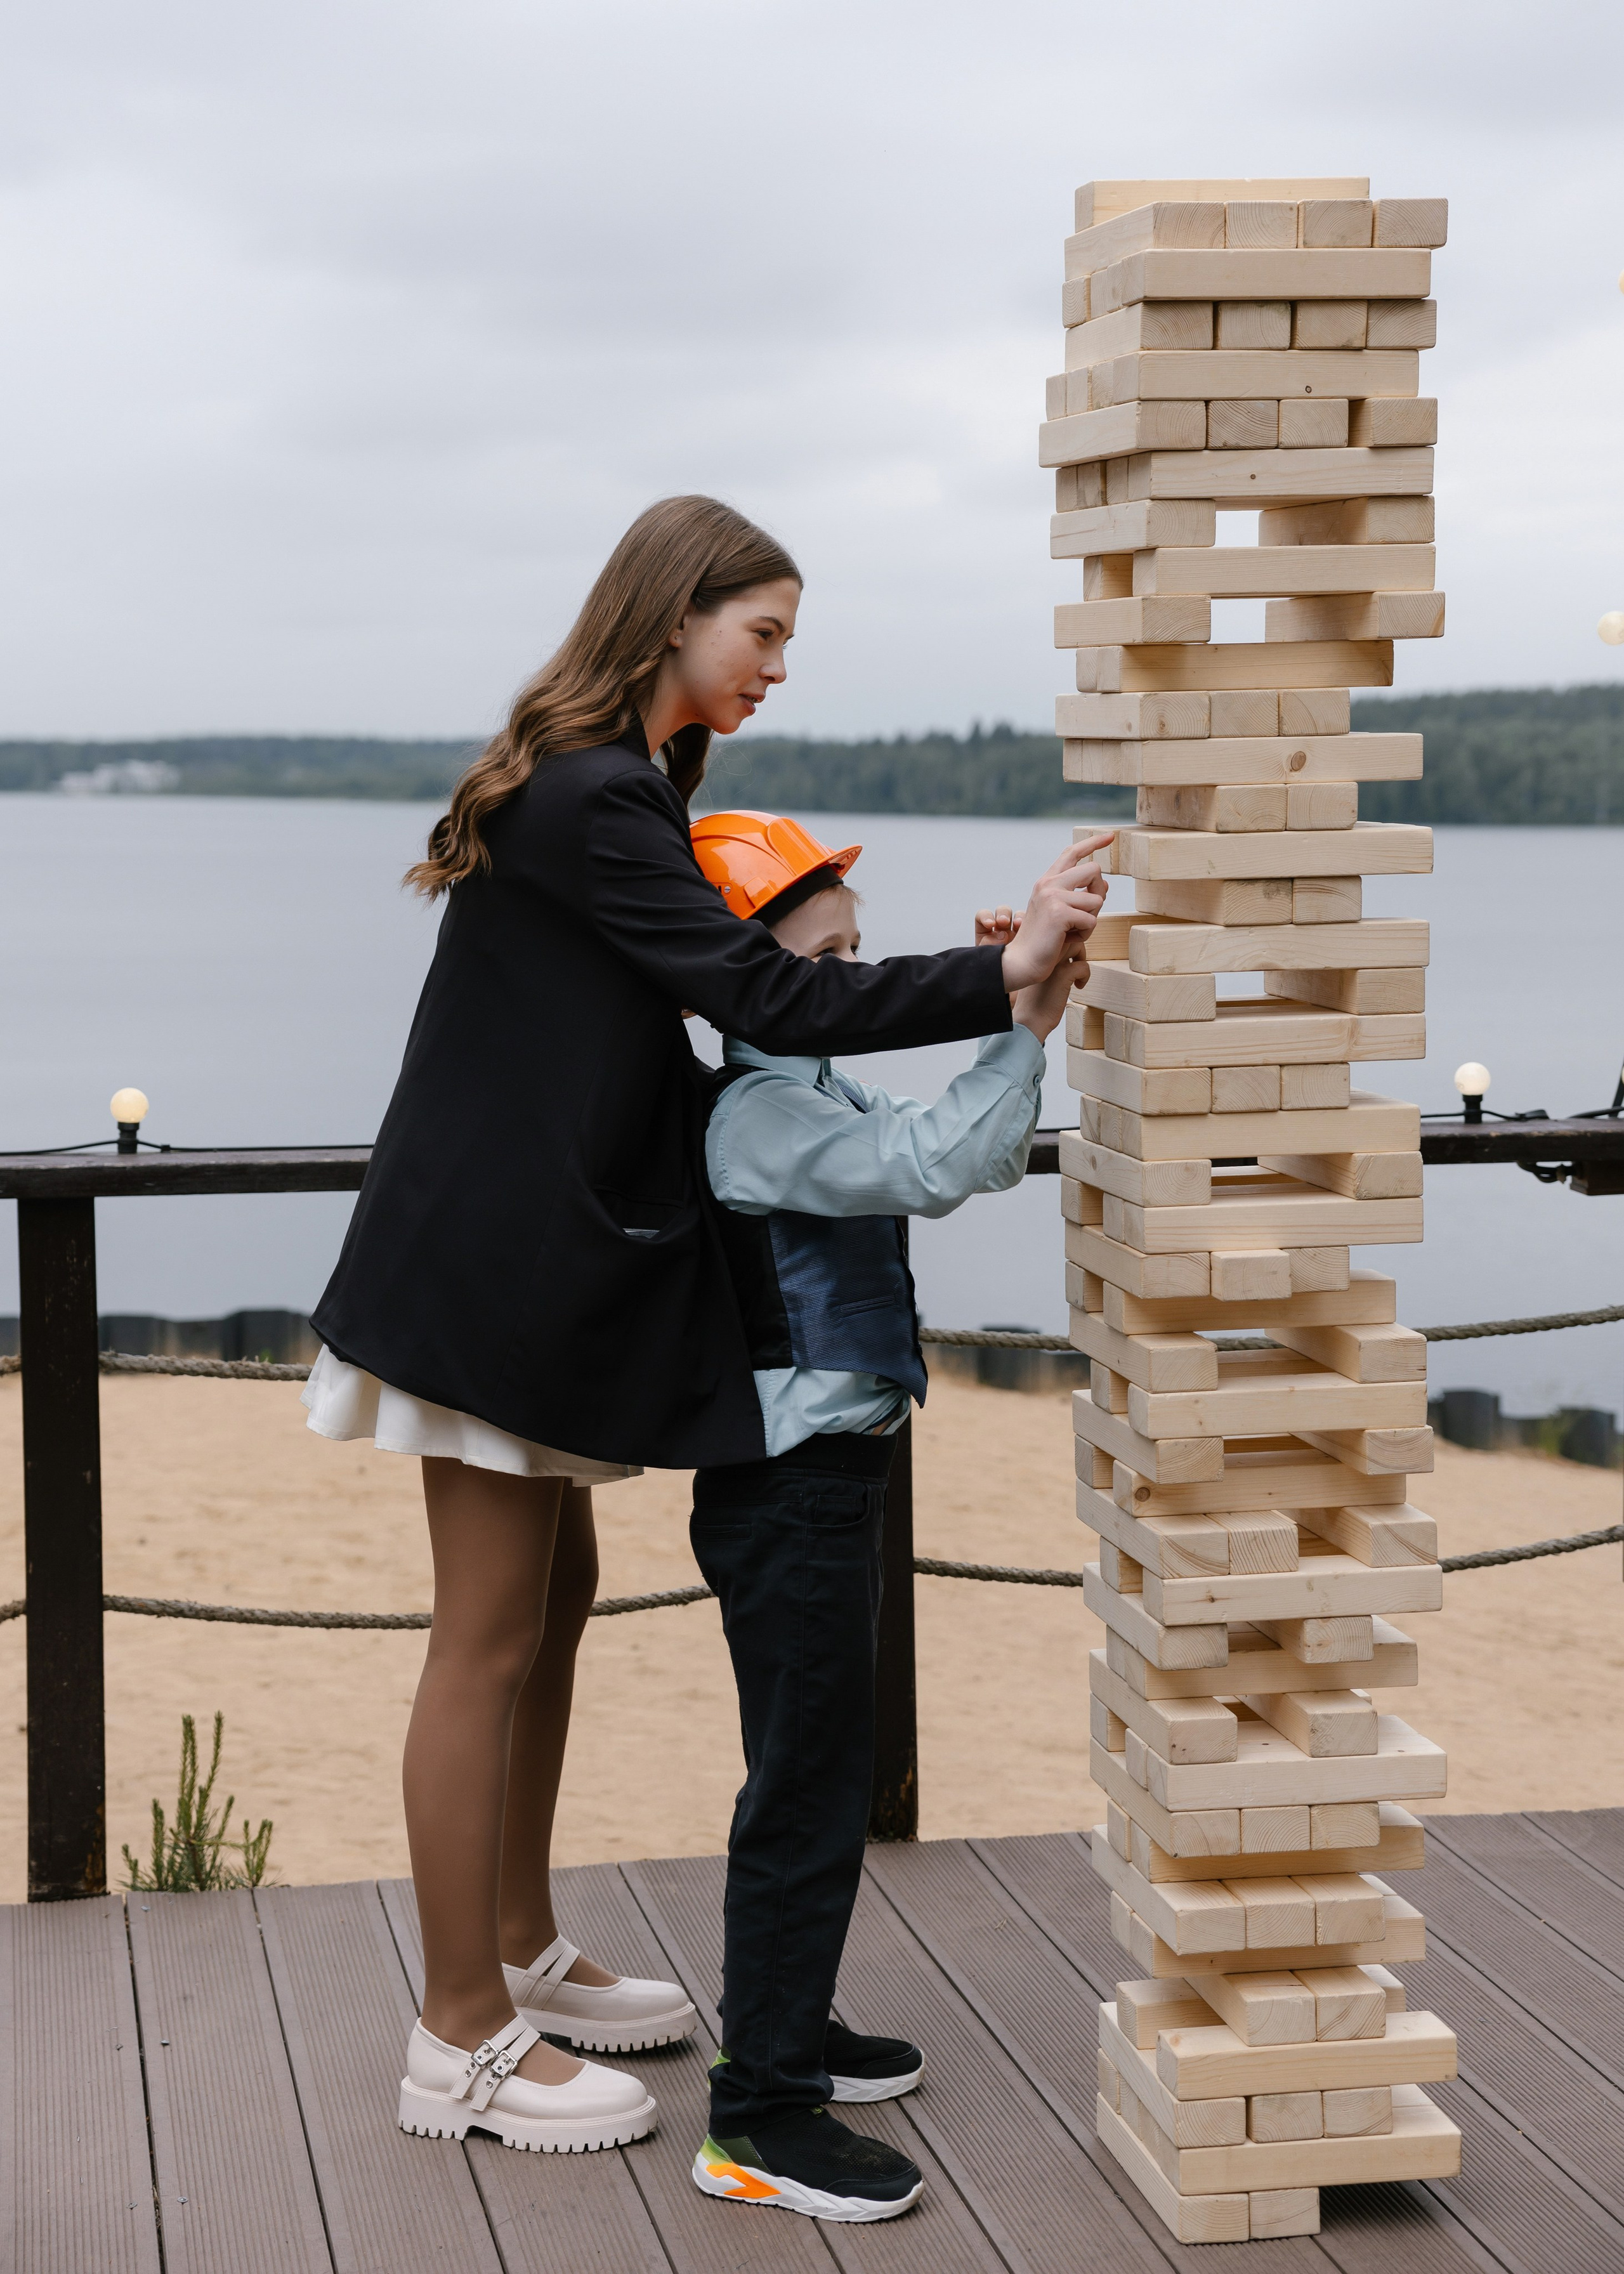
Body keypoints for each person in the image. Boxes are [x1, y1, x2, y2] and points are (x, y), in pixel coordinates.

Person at [300, 493, 1106, 2155]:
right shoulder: (601, 797)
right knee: (486, 1636)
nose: (777, 669)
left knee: (557, 1603)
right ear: (675, 614)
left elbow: (712, 1014)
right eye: (764, 635)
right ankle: (455, 2032)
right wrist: (1007, 970)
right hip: (493, 1273)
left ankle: (516, 1947)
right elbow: (771, 998)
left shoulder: (630, 786)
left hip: (534, 1262)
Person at [686, 810, 1110, 2222]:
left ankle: (789, 2033)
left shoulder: (813, 1086)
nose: (854, 987)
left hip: (828, 1482)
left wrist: (1026, 1010)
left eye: (858, 960)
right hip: (788, 1490)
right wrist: (1013, 1010)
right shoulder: (758, 1114)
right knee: (803, 1788)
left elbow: (961, 1150)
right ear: (748, 977)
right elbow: (933, 1166)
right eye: (827, 965)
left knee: (820, 1769)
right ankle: (755, 2111)